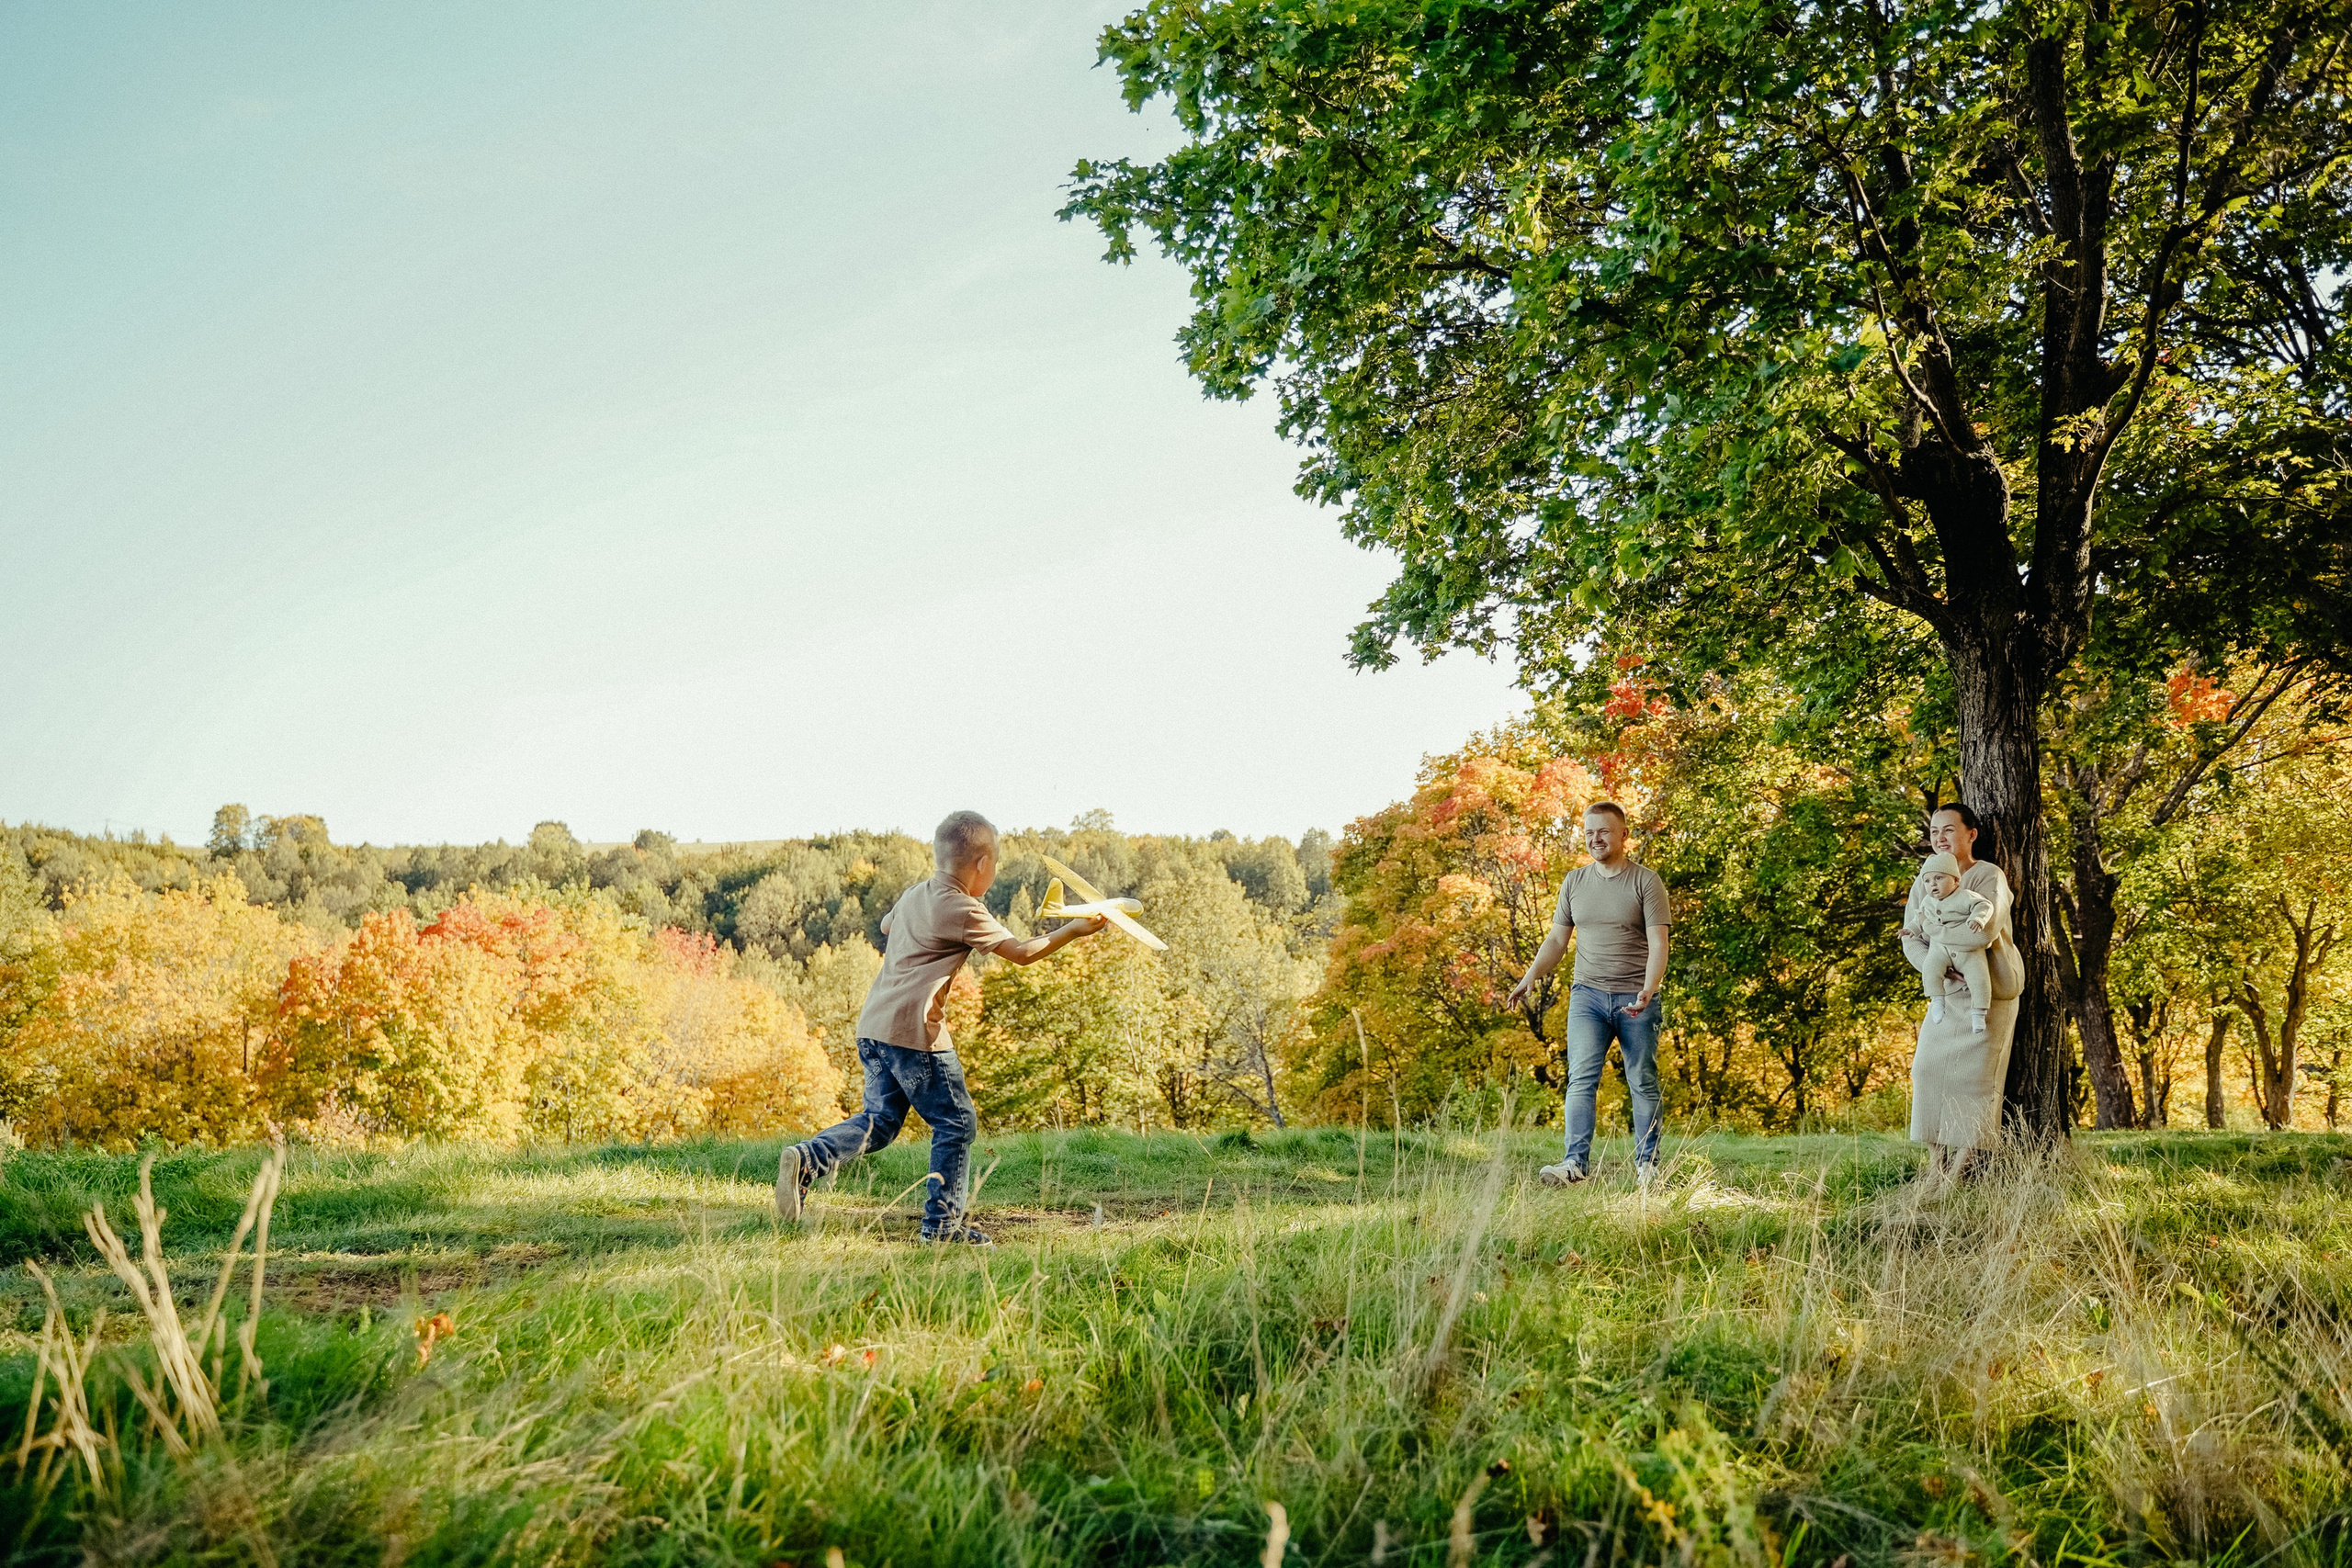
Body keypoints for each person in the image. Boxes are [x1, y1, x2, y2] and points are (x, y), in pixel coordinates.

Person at [775, 810, 1104, 1244]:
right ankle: (942, 1227)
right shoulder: (963, 908)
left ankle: (809, 1158)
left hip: (874, 1026)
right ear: (983, 864)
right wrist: (1074, 930)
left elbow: (886, 924)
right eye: (995, 863)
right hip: (915, 1032)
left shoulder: (916, 894)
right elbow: (1022, 953)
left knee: (880, 1121)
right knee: (956, 1123)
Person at [1505, 801, 1671, 1188]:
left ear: (1623, 835)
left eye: (1603, 831)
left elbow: (1659, 944)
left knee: (1642, 1080)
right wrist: (1530, 976)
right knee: (1580, 1079)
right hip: (1588, 996)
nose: (1595, 839)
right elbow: (1557, 940)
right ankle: (1574, 1165)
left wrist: (1648, 989)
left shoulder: (1646, 882)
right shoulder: (1574, 882)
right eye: (1589, 832)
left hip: (1636, 998)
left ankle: (1648, 1167)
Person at [1901, 804, 2024, 1191]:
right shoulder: (1926, 878)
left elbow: (1982, 934)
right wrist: (1934, 967)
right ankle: (1935, 1169)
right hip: (1947, 993)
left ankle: (1957, 1175)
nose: (1940, 837)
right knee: (1926, 1071)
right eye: (1934, 831)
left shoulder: (1989, 875)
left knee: (1976, 1084)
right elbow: (1911, 938)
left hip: (1990, 993)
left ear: (1971, 834)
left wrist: (1937, 937)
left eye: (1949, 829)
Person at [1905, 851, 1995, 1033]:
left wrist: (1978, 919)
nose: (1933, 884)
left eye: (1939, 878)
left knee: (1979, 978)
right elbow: (1918, 918)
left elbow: (1984, 905)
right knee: (1930, 968)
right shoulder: (1927, 901)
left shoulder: (1965, 896)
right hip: (1939, 949)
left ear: (1955, 880)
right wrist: (1911, 930)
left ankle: (1979, 1013)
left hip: (1967, 953)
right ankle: (1937, 1000)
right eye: (1927, 881)